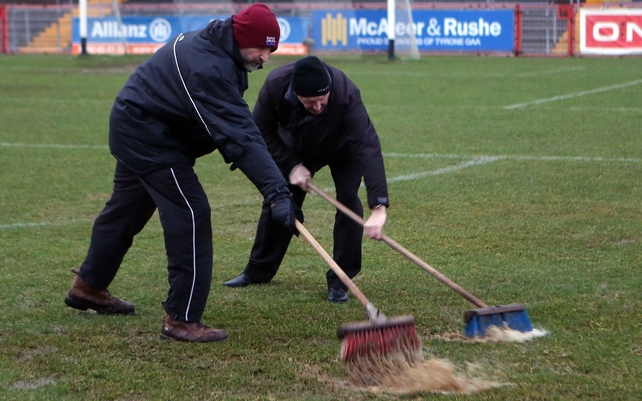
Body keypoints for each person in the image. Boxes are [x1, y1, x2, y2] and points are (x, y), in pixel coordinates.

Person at [64, 4, 303, 343]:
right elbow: (240, 135)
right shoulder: (210, 66)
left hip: (138, 126)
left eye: (272, 49)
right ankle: (182, 319)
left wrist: (276, 189)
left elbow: (236, 127)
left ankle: (88, 286)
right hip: (150, 137)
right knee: (191, 213)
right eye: (263, 47)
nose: (266, 57)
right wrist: (277, 192)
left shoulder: (219, 50)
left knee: (126, 211)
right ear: (242, 37)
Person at [223, 56, 389, 303]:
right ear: (295, 94)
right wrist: (292, 166)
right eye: (310, 102)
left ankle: (340, 281)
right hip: (297, 147)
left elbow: (368, 145)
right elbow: (260, 131)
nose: (319, 107)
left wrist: (378, 206)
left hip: (345, 150)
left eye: (323, 100)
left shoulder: (346, 93)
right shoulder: (276, 85)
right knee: (280, 201)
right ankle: (258, 271)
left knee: (348, 201)